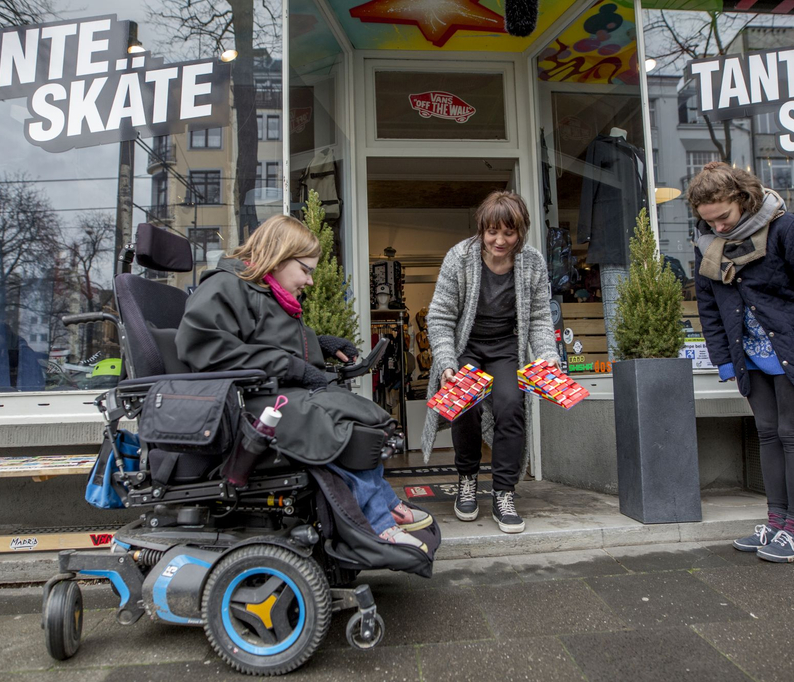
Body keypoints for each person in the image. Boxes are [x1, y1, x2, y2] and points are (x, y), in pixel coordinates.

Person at [175, 214, 431, 551]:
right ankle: (376, 522)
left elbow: (269, 343)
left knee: (364, 417)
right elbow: (207, 349)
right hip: (245, 405)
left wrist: (321, 342)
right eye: (306, 270)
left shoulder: (265, 291)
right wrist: (294, 367)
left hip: (271, 393)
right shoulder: (225, 286)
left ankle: (382, 501)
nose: (309, 281)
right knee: (339, 425)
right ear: (279, 256)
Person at [689, 162, 794, 562]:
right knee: (767, 432)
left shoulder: (786, 229)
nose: (719, 228)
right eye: (710, 222)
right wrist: (724, 360)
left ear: (742, 199)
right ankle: (776, 523)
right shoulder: (707, 244)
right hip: (750, 356)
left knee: (792, 433)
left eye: (724, 217)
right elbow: (708, 307)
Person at [423, 190, 559, 534]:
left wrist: (548, 359)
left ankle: (503, 492)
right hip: (466, 346)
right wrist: (447, 364)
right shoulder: (459, 257)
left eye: (509, 233)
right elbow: (439, 317)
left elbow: (541, 317)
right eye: (492, 232)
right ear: (481, 229)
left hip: (504, 348)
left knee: (512, 405)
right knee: (464, 405)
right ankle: (467, 477)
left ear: (521, 231)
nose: (500, 240)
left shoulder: (532, 262)